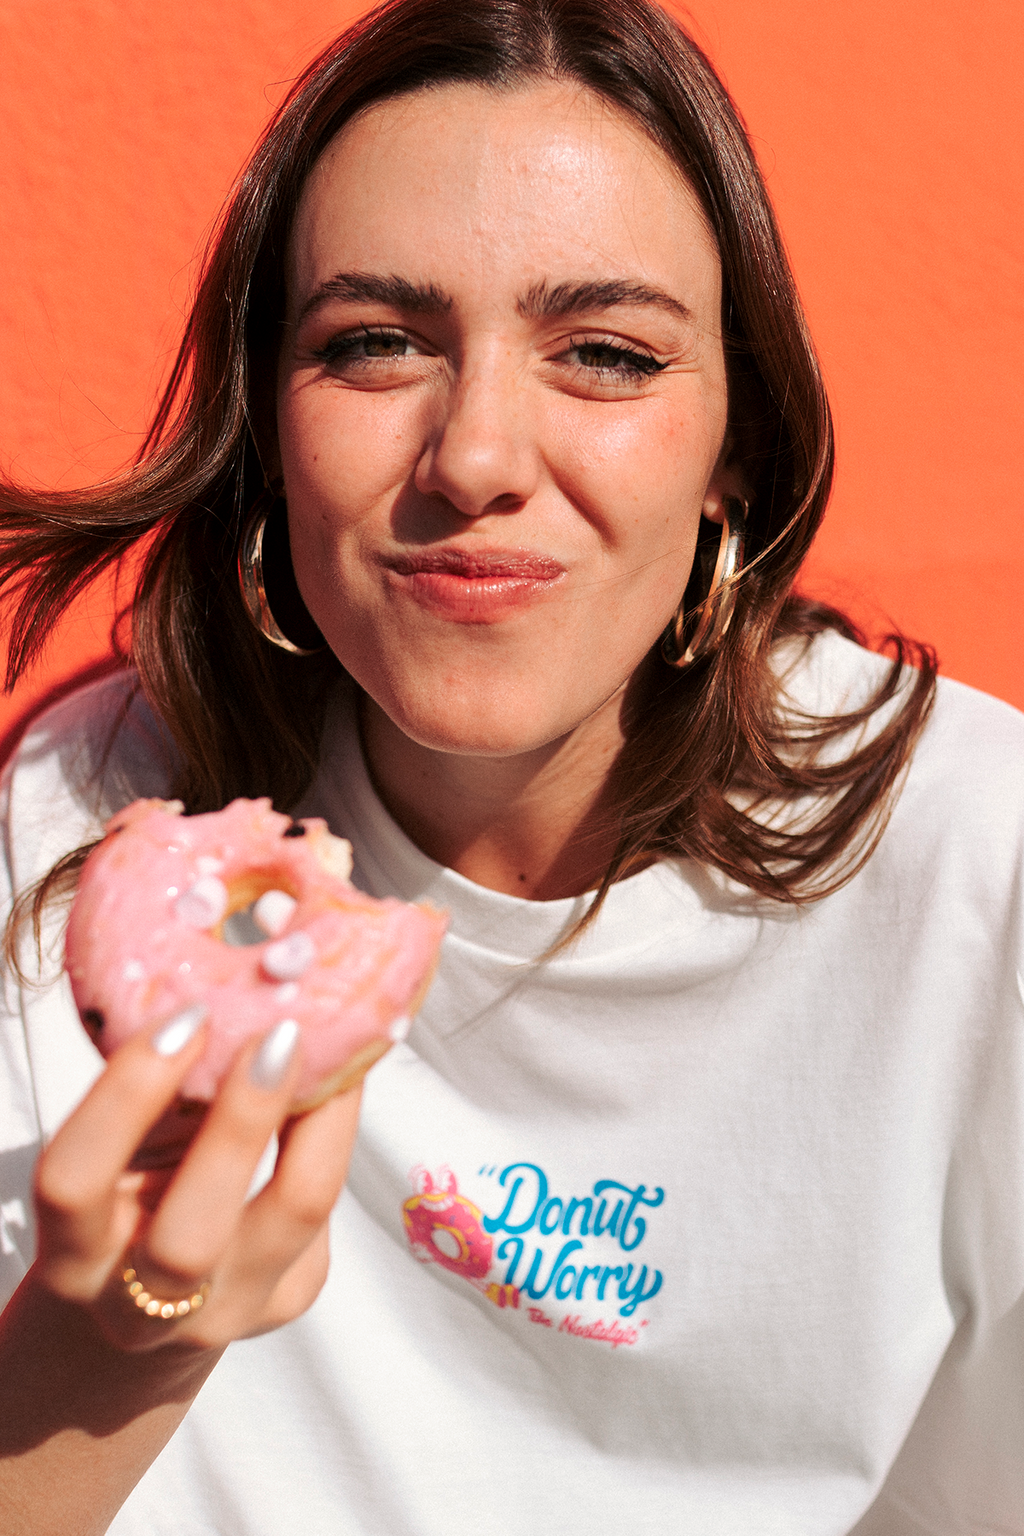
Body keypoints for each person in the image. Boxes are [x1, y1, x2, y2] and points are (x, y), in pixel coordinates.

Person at [0, 0, 1022, 1531]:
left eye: (605, 354)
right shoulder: (89, 830)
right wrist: (113, 1347)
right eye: (373, 345)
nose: (475, 457)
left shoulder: (982, 876)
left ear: (732, 454)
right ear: (267, 431)